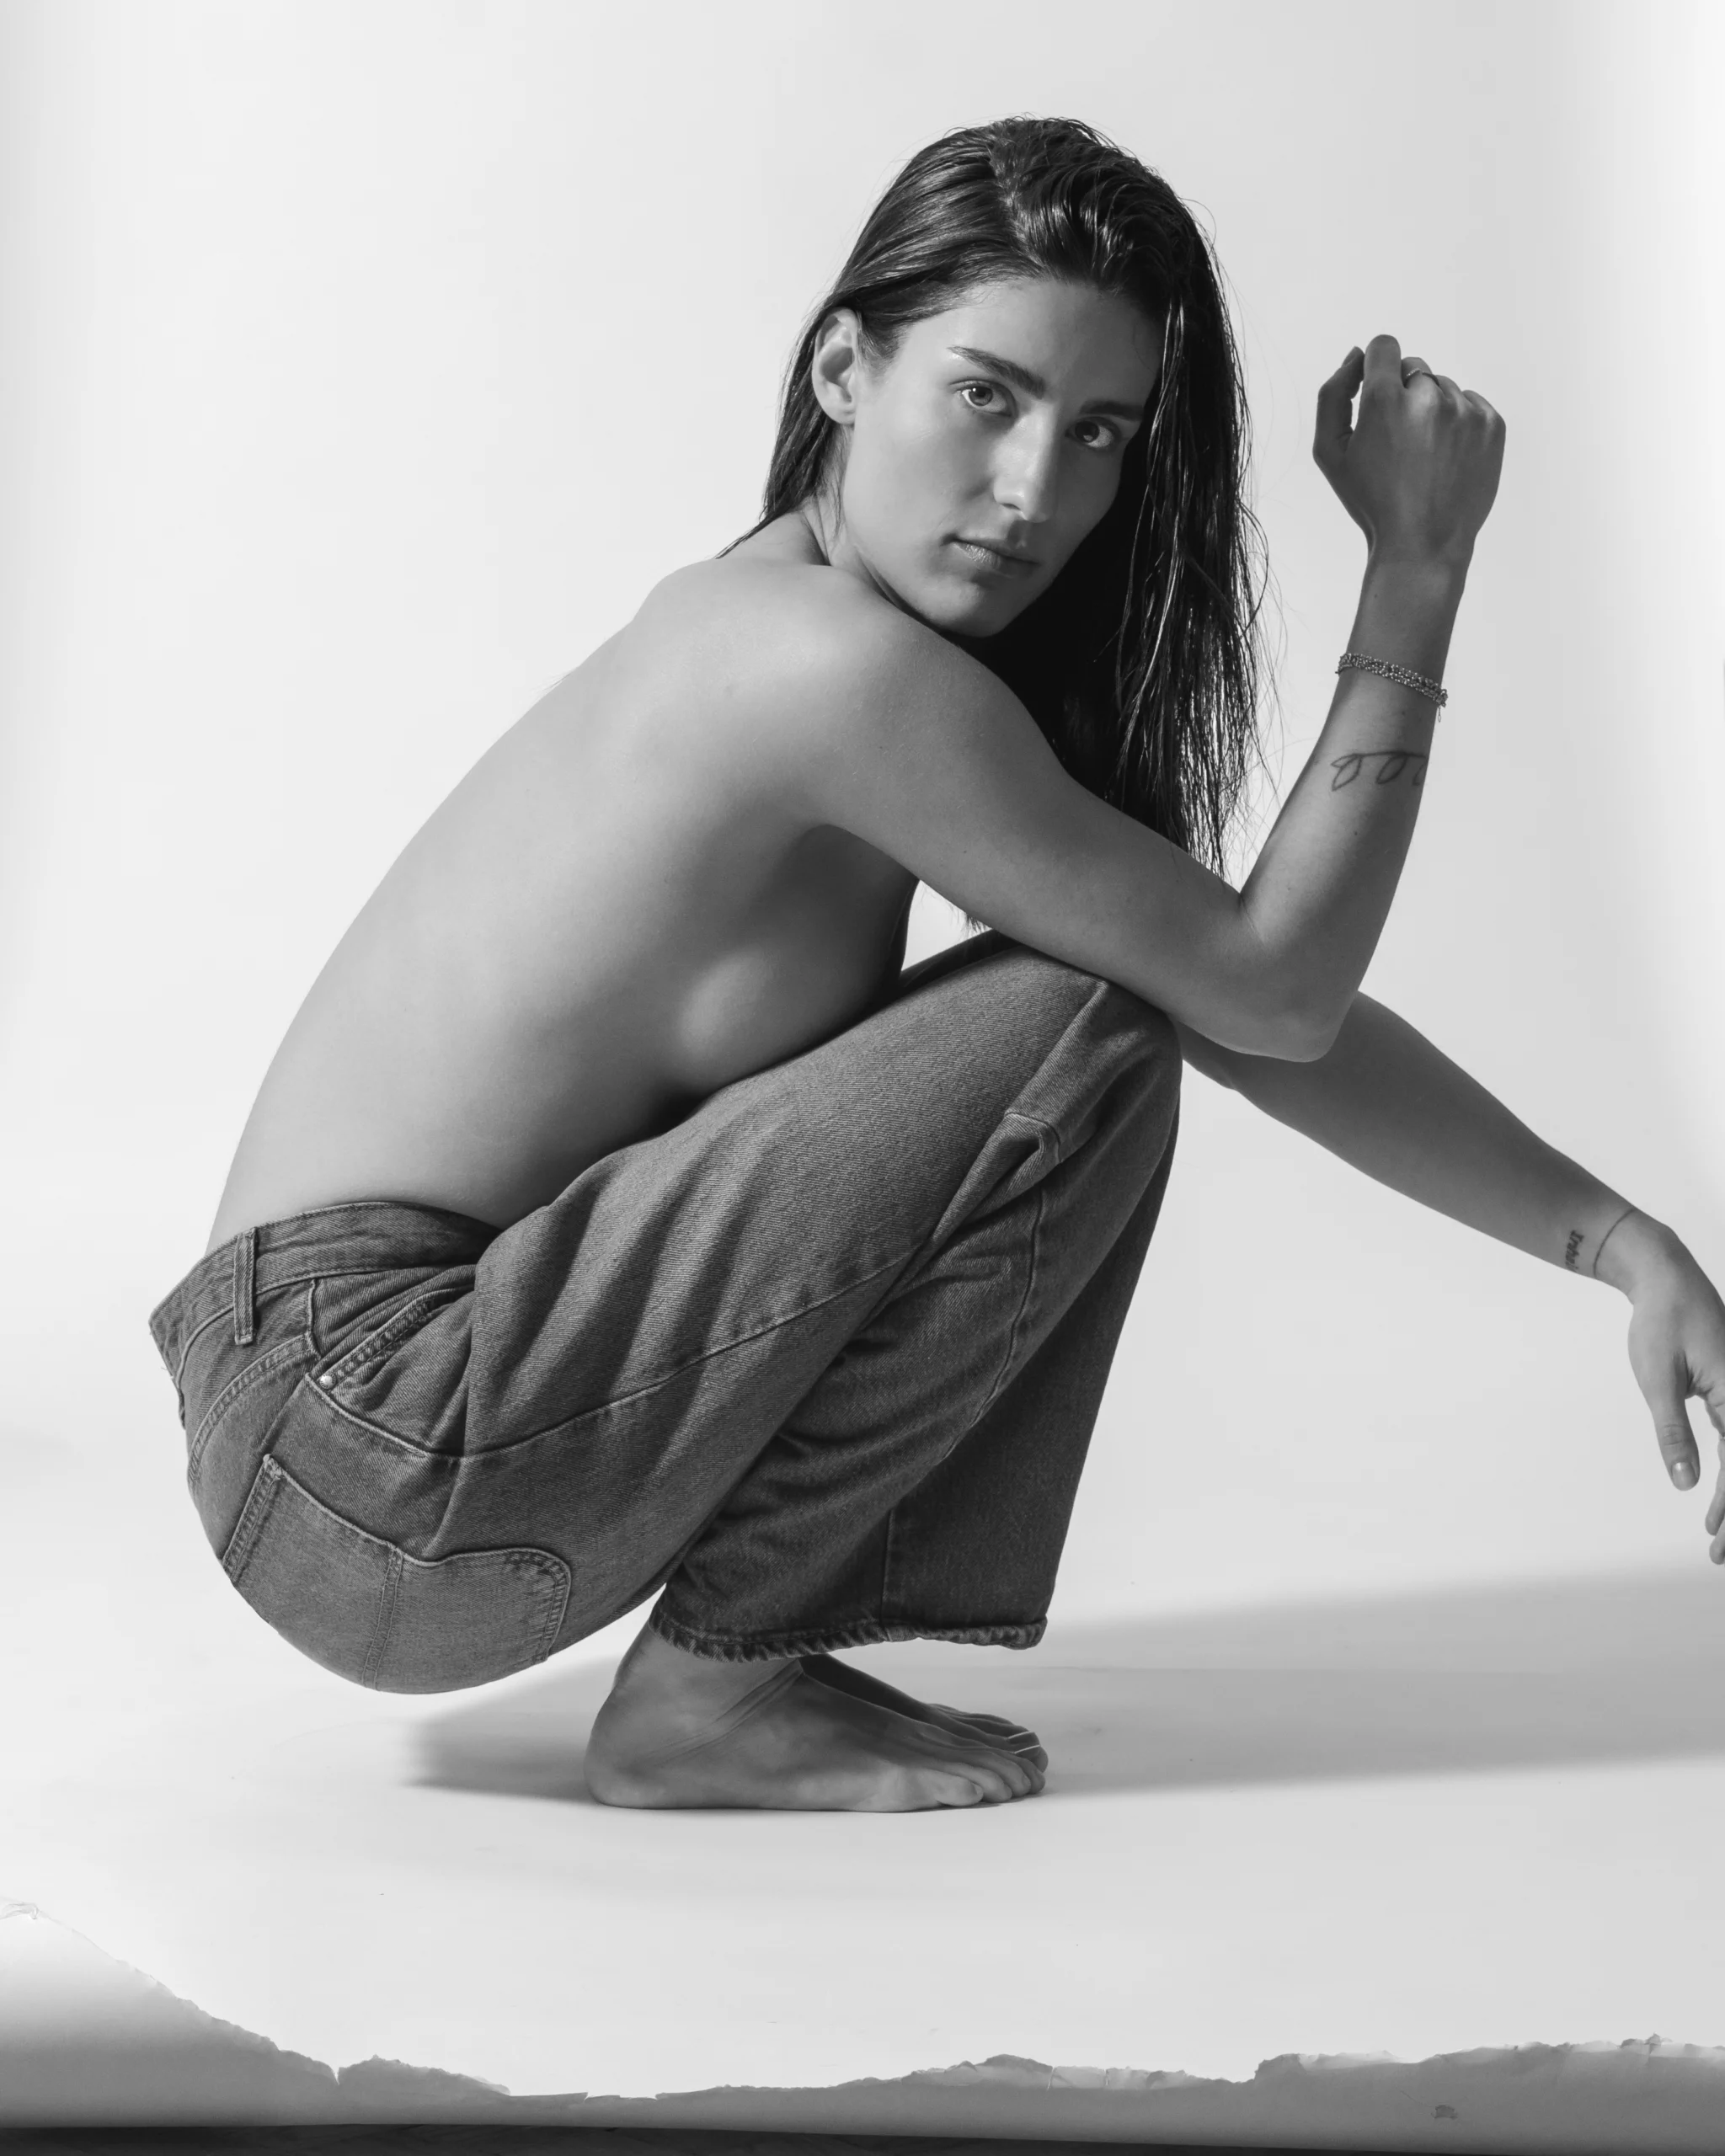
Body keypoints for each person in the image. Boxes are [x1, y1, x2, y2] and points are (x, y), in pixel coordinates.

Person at [148, 116, 1725, 1813]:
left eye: (1098, 431)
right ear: (845, 367)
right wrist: (1416, 572)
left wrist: (1611, 1240)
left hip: (363, 1459)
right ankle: (706, 1702)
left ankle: (734, 1675)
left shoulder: (850, 655)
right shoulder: (823, 670)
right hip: (372, 1438)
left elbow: (1252, 1005)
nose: (1036, 490)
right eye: (986, 394)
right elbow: (1260, 986)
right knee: (1083, 1013)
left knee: (1101, 1005)